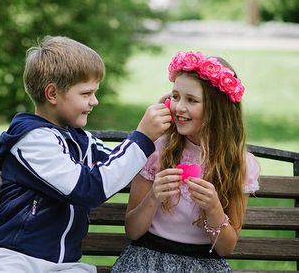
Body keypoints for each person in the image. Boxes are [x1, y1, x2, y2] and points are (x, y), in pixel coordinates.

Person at [0, 36, 172, 273]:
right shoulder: (31, 140)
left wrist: (162, 132)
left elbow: (119, 161)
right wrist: (143, 137)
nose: (94, 101)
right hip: (13, 260)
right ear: (52, 94)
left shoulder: (80, 140)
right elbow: (89, 189)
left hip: (63, 266)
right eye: (86, 93)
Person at [111, 51, 260, 273]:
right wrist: (154, 197)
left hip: (204, 264)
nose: (179, 107)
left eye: (191, 100)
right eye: (176, 96)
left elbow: (226, 248)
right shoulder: (157, 151)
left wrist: (213, 208)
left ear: (217, 109)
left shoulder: (239, 165)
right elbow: (132, 231)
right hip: (148, 260)